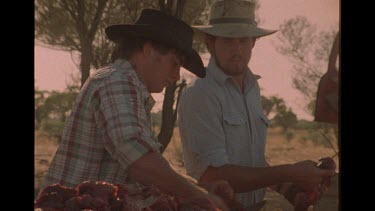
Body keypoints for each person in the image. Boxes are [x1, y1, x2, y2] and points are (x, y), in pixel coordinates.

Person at [42, 8, 228, 210]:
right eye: (175, 64)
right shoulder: (116, 81)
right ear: (148, 49)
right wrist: (204, 197)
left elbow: (149, 165)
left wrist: (201, 188)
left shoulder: (131, 90)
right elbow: (141, 162)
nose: (176, 75)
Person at [177, 0, 336, 210]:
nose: (237, 49)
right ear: (209, 42)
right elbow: (213, 175)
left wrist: (290, 188)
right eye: (228, 40)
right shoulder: (201, 93)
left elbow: (253, 165)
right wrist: (290, 171)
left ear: (254, 42)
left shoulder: (252, 90)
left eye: (243, 40)